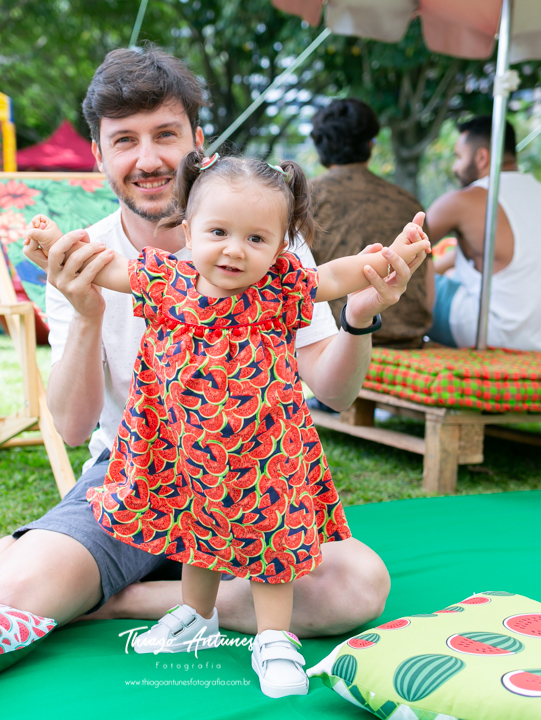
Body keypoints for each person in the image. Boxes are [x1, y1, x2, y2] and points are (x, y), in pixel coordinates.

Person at [0, 47, 428, 658]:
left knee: (356, 587)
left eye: (166, 134)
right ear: (98, 155)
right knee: (13, 591)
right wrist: (90, 316)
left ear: (199, 144)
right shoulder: (90, 258)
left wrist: (359, 318)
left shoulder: (267, 245)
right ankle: (38, 560)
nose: (148, 159)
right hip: (138, 470)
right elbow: (73, 429)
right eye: (124, 140)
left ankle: (126, 599)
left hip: (251, 473)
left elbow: (334, 393)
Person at [26, 153, 428, 697]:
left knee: (270, 547)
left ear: (282, 246)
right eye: (218, 232)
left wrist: (393, 256)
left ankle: (274, 637)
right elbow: (108, 270)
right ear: (188, 231)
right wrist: (56, 246)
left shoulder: (281, 288)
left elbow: (336, 274)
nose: (236, 250)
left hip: (266, 455)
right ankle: (196, 616)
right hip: (182, 451)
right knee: (194, 535)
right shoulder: (165, 279)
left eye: (257, 239)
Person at [425, 116, 541, 351]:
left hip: (496, 335)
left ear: (482, 157)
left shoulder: (465, 200)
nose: (455, 167)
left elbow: (401, 250)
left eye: (458, 157)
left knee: (403, 281)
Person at [309, 98, 434, 349]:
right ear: (369, 144)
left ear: (321, 146)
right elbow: (429, 296)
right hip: (408, 340)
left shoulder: (304, 197)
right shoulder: (408, 202)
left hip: (335, 341)